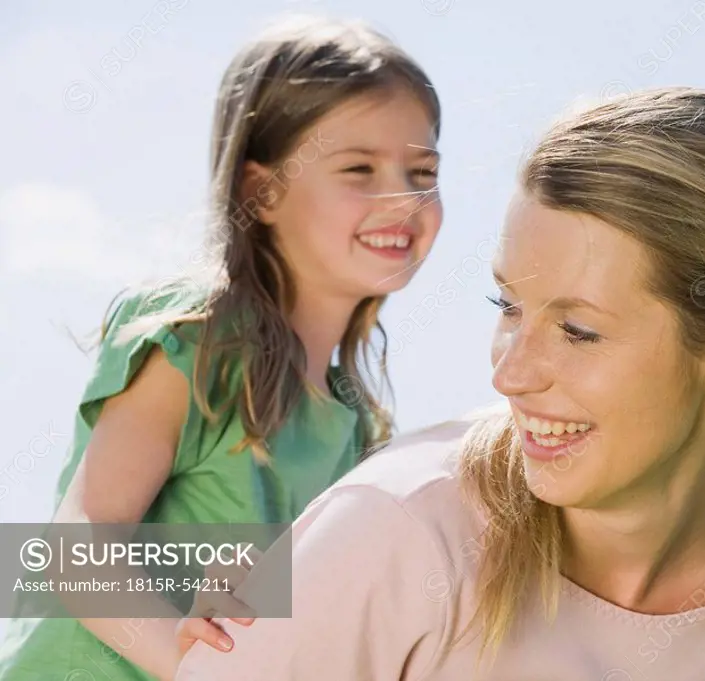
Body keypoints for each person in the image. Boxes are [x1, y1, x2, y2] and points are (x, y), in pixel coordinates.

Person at [175, 86, 705, 681]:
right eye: (507, 306)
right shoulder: (395, 531)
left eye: (579, 331)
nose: (509, 374)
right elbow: (74, 549)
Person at [0, 15, 444, 681]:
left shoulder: (357, 428)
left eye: (422, 171)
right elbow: (74, 547)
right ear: (261, 191)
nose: (402, 199)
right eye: (359, 168)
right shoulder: (199, 341)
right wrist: (187, 664)